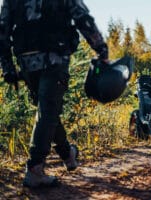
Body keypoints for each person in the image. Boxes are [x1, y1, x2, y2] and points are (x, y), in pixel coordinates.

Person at [0, 0, 109, 188]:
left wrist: (8, 67)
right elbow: (83, 18)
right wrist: (101, 48)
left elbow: (2, 30)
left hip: (27, 62)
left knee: (47, 111)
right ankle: (35, 168)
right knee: (48, 111)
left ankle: (68, 155)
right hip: (54, 58)